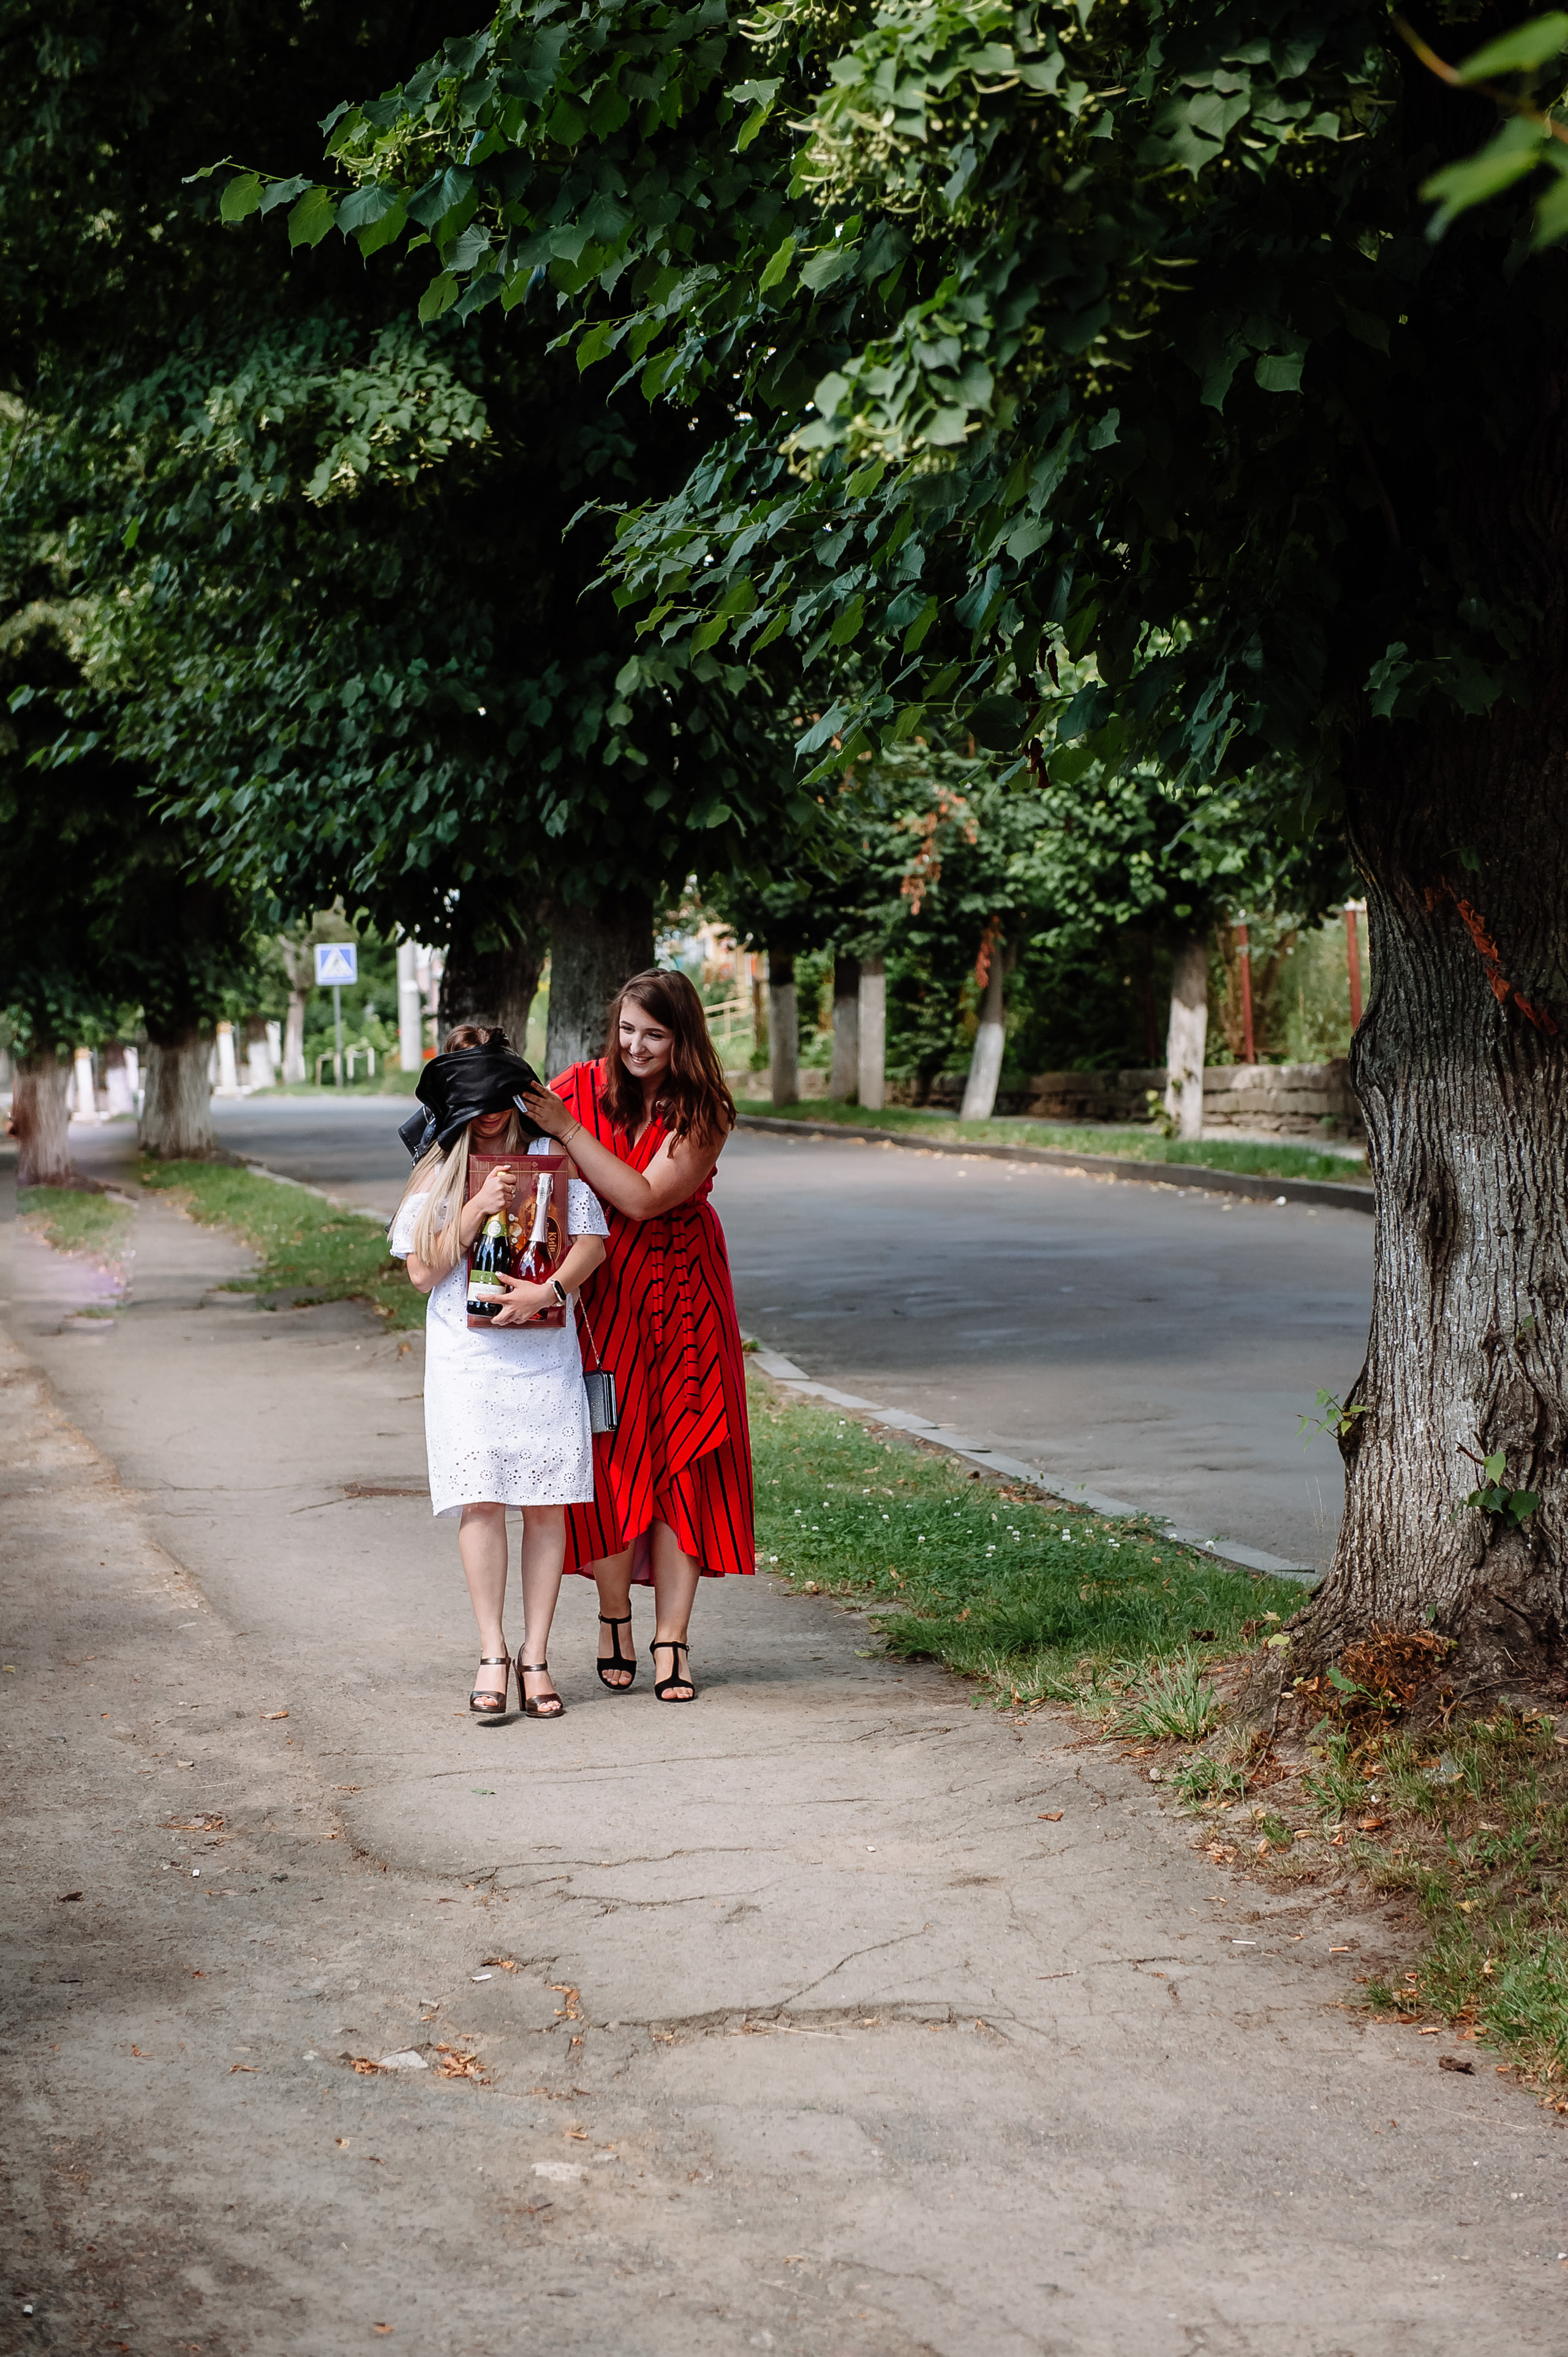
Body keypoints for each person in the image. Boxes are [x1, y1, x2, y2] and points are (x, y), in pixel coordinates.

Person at [521, 971, 753, 1703]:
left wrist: (568, 1131)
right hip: (605, 1295)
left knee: (687, 1459)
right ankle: (614, 1616)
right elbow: (508, 1126)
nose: (635, 1046)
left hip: (685, 1297)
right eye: (626, 1030)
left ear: (683, 1037)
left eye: (653, 1034)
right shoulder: (582, 1084)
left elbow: (646, 1198)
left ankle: (672, 1638)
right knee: (613, 1454)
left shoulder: (704, 1109)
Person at [390, 1025, 609, 1720]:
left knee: (545, 1506)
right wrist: (473, 1212)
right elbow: (422, 1273)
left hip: (542, 1355)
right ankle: (492, 1649)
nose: (489, 1112)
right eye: (474, 1096)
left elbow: (593, 1243)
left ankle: (537, 1655)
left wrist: (551, 1292)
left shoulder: (548, 1157)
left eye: (498, 1093)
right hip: (470, 1360)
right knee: (480, 1499)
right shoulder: (440, 1169)